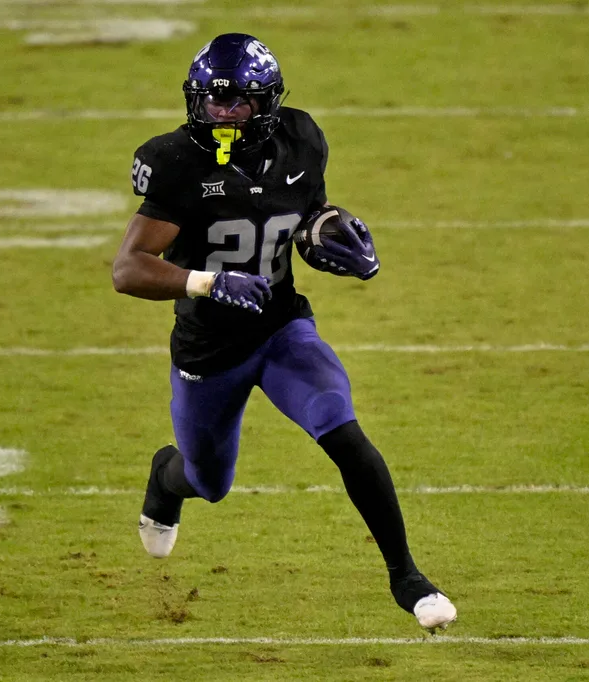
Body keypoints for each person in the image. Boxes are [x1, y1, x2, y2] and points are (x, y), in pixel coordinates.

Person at [111, 33, 456, 632]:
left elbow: (306, 214)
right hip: (209, 348)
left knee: (340, 425)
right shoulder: (176, 162)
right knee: (207, 480)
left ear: (266, 103)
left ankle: (407, 576)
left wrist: (328, 235)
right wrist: (206, 283)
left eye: (238, 103)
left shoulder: (301, 136)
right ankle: (165, 479)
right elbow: (129, 268)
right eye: (211, 102)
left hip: (279, 326)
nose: (222, 113)